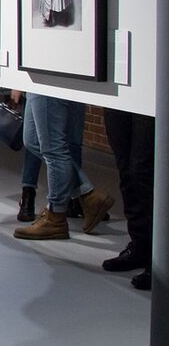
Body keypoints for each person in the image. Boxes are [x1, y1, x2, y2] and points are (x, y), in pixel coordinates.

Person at [13, 93, 114, 241]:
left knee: (53, 149)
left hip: (46, 79)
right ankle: (88, 196)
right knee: (33, 141)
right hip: (38, 79)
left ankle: (56, 217)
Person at [102, 108, 153, 290]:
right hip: (118, 88)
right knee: (125, 170)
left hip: (150, 93)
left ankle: (159, 255)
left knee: (142, 171)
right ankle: (140, 247)